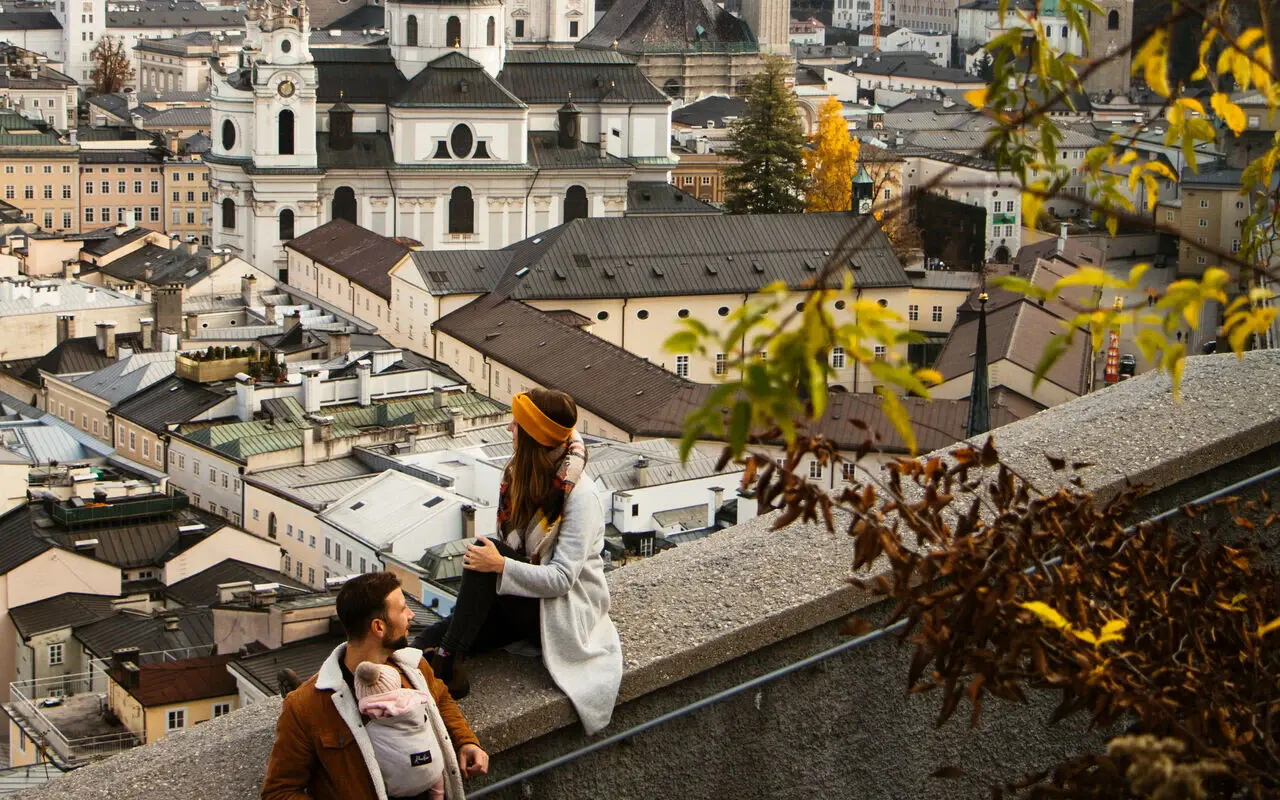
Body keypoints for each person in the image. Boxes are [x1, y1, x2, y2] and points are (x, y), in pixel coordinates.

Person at [414, 388, 622, 735]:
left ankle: (449, 661)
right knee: (435, 636)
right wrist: (499, 565)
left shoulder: (580, 497)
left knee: (486, 553)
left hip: (562, 611)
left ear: (532, 437)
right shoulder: (518, 478)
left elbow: (562, 580)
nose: (509, 428)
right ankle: (331, 687)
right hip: (526, 603)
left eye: (517, 425)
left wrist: (500, 566)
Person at [262, 572, 489, 800]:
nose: (411, 615)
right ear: (379, 627)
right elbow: (278, 792)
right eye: (402, 609)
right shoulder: (305, 706)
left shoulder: (415, 666)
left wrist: (466, 741)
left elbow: (440, 699)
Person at [353, 662, 446, 800]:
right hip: (433, 770)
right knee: (434, 775)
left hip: (395, 787)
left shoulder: (369, 713)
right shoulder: (415, 698)